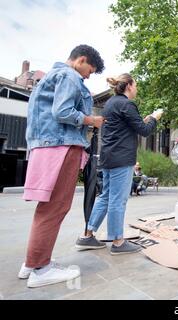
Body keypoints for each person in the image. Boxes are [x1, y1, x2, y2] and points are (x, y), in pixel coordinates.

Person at [19, 45, 105, 288]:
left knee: (47, 207)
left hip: (47, 146)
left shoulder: (50, 76)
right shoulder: (69, 75)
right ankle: (41, 269)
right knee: (56, 207)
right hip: (62, 146)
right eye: (90, 70)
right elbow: (63, 111)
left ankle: (33, 262)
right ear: (81, 60)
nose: (89, 76)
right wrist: (92, 120)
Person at [76, 73, 163, 254]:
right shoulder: (127, 104)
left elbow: (128, 126)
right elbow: (145, 131)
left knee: (106, 196)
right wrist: (154, 118)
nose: (136, 89)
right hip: (122, 158)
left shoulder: (111, 103)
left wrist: (143, 120)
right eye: (136, 85)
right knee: (118, 199)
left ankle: (87, 235)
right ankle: (118, 242)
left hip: (108, 156)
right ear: (129, 85)